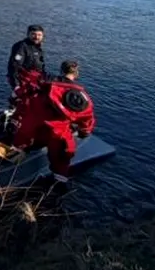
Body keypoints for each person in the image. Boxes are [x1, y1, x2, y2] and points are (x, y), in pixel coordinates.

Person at [11, 59, 96, 190]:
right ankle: (57, 188)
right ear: (77, 73)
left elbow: (24, 100)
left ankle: (7, 163)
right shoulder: (81, 97)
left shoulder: (42, 86)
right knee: (62, 159)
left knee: (18, 146)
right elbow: (87, 118)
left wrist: (16, 117)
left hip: (31, 130)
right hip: (57, 135)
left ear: (61, 70)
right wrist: (83, 132)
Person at [7, 24, 47, 102]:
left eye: (39, 35)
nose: (36, 37)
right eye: (33, 34)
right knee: (22, 100)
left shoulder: (37, 47)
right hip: (23, 80)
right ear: (28, 34)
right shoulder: (21, 47)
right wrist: (16, 85)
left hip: (34, 80)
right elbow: (14, 66)